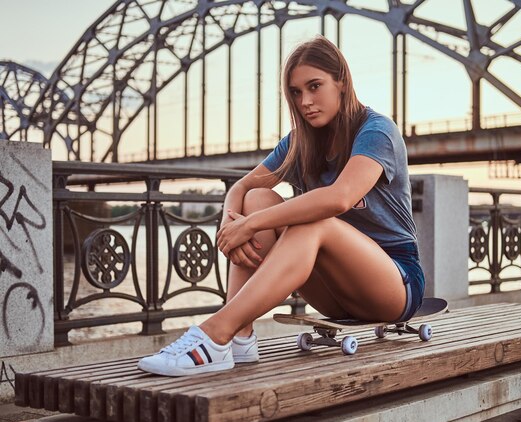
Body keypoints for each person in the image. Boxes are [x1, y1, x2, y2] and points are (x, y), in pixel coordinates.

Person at [138, 35, 425, 376]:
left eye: (315, 86)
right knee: (255, 199)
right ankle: (239, 337)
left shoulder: (377, 130)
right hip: (333, 291)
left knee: (314, 218)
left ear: (342, 83)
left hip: (394, 283)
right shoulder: (299, 142)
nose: (305, 101)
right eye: (296, 92)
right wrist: (231, 225)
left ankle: (216, 333)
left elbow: (339, 198)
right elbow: (244, 187)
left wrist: (251, 225)